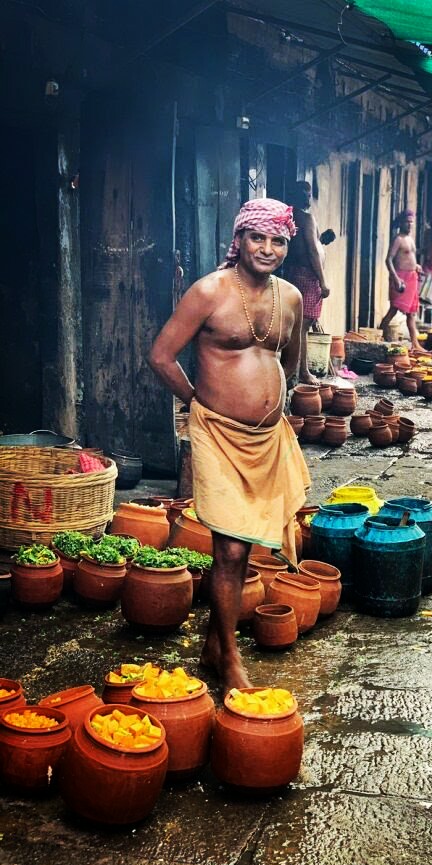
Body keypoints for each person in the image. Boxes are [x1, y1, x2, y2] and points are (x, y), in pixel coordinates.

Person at [148, 198, 310, 694]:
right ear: (238, 240)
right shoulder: (209, 292)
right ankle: (231, 659)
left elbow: (293, 361)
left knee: (246, 551)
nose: (267, 249)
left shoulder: (291, 298)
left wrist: (286, 405)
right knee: (232, 547)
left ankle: (215, 645)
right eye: (258, 238)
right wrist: (198, 400)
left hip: (268, 437)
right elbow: (160, 356)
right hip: (217, 433)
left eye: (278, 240)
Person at [284, 180, 331, 385]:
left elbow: (310, 245)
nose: (308, 197)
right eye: (306, 193)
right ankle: (302, 371)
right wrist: (323, 281)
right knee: (303, 326)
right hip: (307, 276)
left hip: (297, 273)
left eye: (309, 193)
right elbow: (312, 250)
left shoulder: (292, 217)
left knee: (299, 325)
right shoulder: (306, 217)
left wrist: (323, 240)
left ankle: (295, 370)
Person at [379, 209, 425, 351]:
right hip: (400, 279)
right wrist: (395, 278)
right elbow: (389, 260)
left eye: (412, 222)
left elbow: (408, 258)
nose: (410, 225)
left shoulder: (410, 239)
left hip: (412, 278)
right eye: (407, 222)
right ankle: (381, 336)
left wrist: (416, 266)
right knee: (393, 310)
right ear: (401, 223)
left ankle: (415, 344)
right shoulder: (398, 239)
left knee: (411, 313)